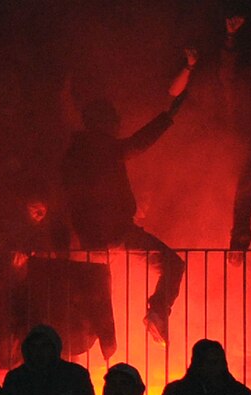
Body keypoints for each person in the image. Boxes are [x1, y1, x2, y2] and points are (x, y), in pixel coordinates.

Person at [61, 67, 192, 344]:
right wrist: (168, 117)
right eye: (114, 122)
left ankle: (86, 347)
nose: (118, 126)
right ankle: (157, 312)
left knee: (96, 301)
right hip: (116, 234)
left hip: (88, 242)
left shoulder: (74, 154)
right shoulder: (101, 148)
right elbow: (138, 144)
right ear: (104, 123)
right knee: (172, 264)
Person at [1, 324, 97, 395]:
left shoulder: (75, 375)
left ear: (54, 348)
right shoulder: (16, 379)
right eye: (34, 346)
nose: (39, 351)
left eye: (45, 346)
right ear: (28, 349)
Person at [158, 338, 251, 395]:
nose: (217, 367)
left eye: (219, 362)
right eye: (211, 363)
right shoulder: (176, 392)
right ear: (198, 364)